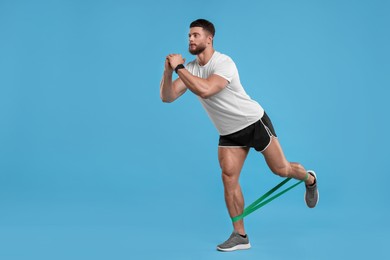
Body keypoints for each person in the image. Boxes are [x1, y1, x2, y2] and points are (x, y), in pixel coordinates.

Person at [159, 19, 319, 252]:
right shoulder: (191, 68)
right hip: (228, 133)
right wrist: (167, 71)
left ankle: (310, 179)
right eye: (189, 36)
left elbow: (206, 89)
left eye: (195, 35)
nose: (190, 39)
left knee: (281, 169)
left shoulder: (224, 63)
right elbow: (167, 97)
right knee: (228, 177)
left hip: (252, 122)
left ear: (209, 39)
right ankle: (240, 235)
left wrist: (179, 68)